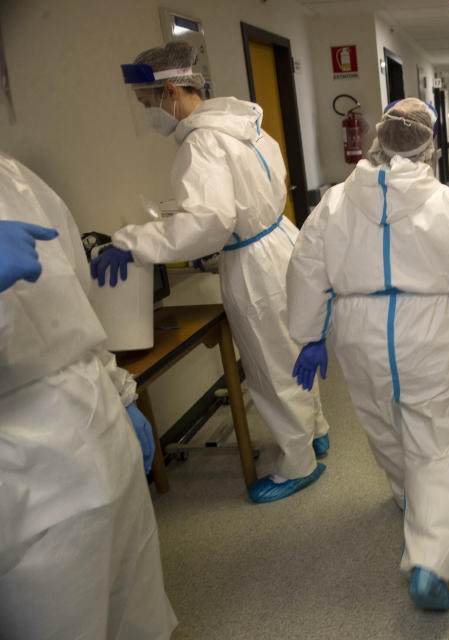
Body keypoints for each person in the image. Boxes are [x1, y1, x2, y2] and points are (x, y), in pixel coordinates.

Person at [286, 97, 449, 611]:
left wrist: (309, 335)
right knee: (441, 441)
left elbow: (306, 268)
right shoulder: (444, 204)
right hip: (430, 332)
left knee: (382, 422)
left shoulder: (337, 202)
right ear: (429, 145)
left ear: (378, 140)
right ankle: (430, 559)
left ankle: (409, 496)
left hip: (359, 332)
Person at [91, 41, 329, 503]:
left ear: (170, 92)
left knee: (268, 364)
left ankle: (298, 462)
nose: (148, 113)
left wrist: (133, 243)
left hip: (253, 264)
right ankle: (315, 429)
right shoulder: (246, 127)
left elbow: (209, 224)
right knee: (292, 350)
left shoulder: (202, 143)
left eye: (147, 102)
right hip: (280, 241)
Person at [0, 152, 177, 638]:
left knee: (136, 603)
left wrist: (122, 396)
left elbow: (80, 302)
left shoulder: (16, 178)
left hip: (98, 423)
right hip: (26, 476)